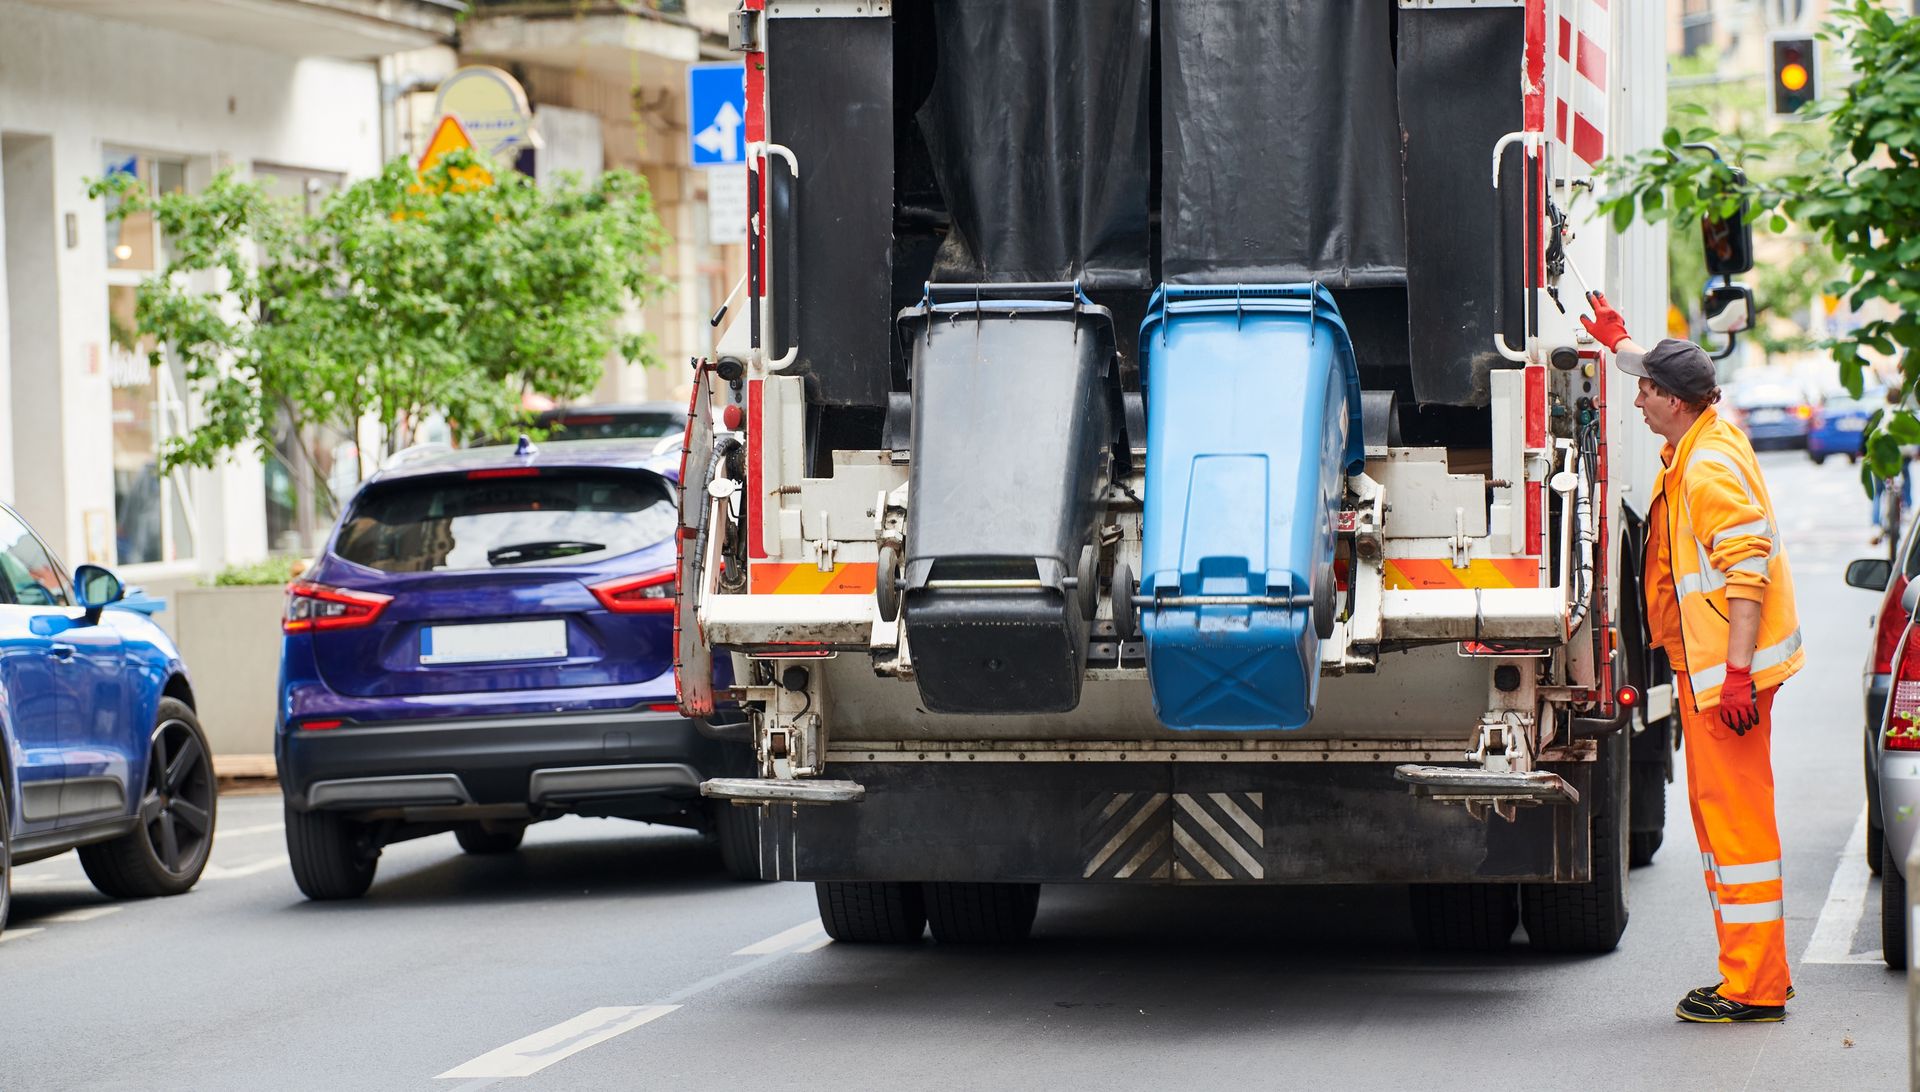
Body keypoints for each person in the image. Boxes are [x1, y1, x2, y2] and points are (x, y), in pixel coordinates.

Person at [1584, 294, 1804, 1024]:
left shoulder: (1706, 470)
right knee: (1723, 825)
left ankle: (1754, 988)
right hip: (1712, 676)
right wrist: (1620, 344)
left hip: (1728, 683)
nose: (1638, 400)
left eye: (1646, 391)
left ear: (1675, 404)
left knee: (1737, 832)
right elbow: (1663, 375)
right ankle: (1753, 970)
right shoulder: (1703, 434)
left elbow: (1747, 572)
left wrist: (1737, 673)